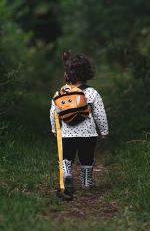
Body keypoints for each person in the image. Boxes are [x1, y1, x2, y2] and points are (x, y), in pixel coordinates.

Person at [49, 50, 109, 192]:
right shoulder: (92, 92)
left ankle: (67, 172)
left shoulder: (60, 93)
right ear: (87, 73)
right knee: (87, 158)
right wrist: (104, 131)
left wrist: (55, 130)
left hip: (67, 134)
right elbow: (100, 114)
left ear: (67, 73)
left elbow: (53, 113)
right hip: (88, 135)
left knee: (66, 157)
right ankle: (86, 182)